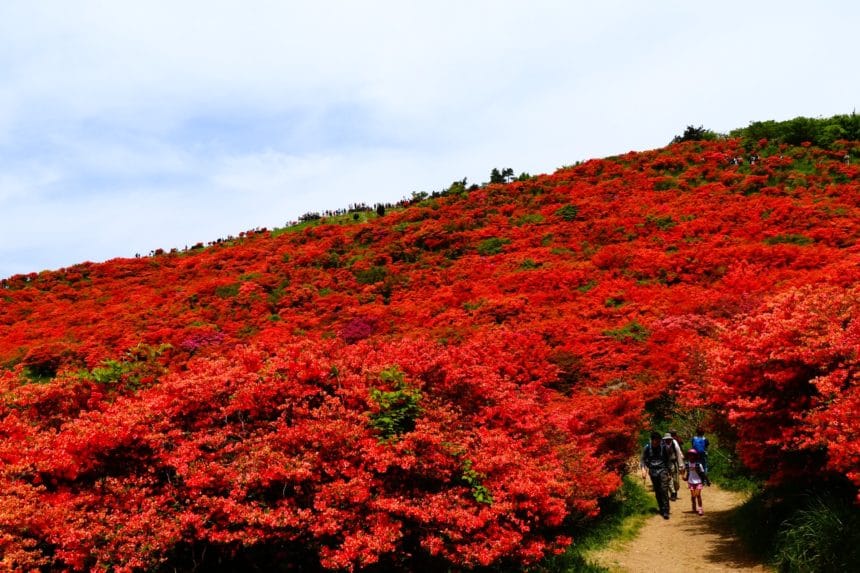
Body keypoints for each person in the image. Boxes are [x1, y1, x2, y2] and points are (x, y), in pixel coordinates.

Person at [641, 431, 672, 519]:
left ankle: (666, 510)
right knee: (657, 490)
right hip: (653, 471)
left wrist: (669, 472)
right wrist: (643, 470)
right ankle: (661, 507)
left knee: (664, 489)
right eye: (656, 441)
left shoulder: (664, 448)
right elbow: (642, 459)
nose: (657, 443)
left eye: (659, 441)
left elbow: (668, 461)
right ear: (652, 440)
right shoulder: (647, 448)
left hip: (663, 470)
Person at [682, 448, 710, 515]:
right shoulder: (687, 464)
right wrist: (685, 477)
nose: (691, 457)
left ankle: (700, 508)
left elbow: (703, 473)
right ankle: (693, 505)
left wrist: (707, 481)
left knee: (698, 495)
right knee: (693, 495)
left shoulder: (698, 464)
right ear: (688, 456)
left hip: (698, 482)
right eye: (689, 455)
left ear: (695, 456)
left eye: (692, 455)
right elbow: (686, 472)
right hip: (691, 482)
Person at [663, 432, 685, 501]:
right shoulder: (662, 446)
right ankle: (673, 493)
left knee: (676, 480)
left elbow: (678, 454)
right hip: (666, 464)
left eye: (669, 439)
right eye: (666, 440)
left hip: (674, 463)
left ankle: (675, 491)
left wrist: (681, 465)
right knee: (669, 479)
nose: (668, 441)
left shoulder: (674, 444)